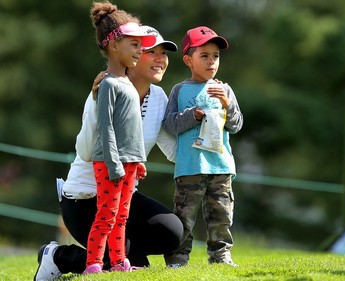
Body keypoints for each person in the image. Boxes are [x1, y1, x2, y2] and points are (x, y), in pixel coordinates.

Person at [33, 21, 182, 281]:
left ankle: (121, 251)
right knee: (125, 269)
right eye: (150, 51)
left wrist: (209, 142)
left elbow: (173, 150)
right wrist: (94, 103)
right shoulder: (105, 88)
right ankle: (56, 255)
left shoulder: (158, 97)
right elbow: (85, 150)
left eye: (164, 53)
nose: (160, 59)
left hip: (123, 195)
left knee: (171, 232)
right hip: (84, 199)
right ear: (131, 53)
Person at [83, 1, 158, 274]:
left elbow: (132, 129)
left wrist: (138, 160)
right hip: (110, 163)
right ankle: (93, 264)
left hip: (129, 162)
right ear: (114, 45)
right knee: (106, 215)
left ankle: (118, 263)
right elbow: (107, 128)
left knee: (122, 216)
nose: (141, 50)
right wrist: (115, 164)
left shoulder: (127, 82)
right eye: (135, 44)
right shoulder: (109, 84)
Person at [162, 26, 243, 268]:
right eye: (204, 56)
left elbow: (236, 126)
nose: (211, 62)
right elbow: (169, 124)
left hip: (221, 166)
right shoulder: (179, 90)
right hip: (190, 167)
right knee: (184, 216)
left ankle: (220, 256)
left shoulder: (225, 89)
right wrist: (192, 115)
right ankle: (178, 258)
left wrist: (227, 105)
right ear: (188, 60)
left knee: (221, 215)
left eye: (215, 56)